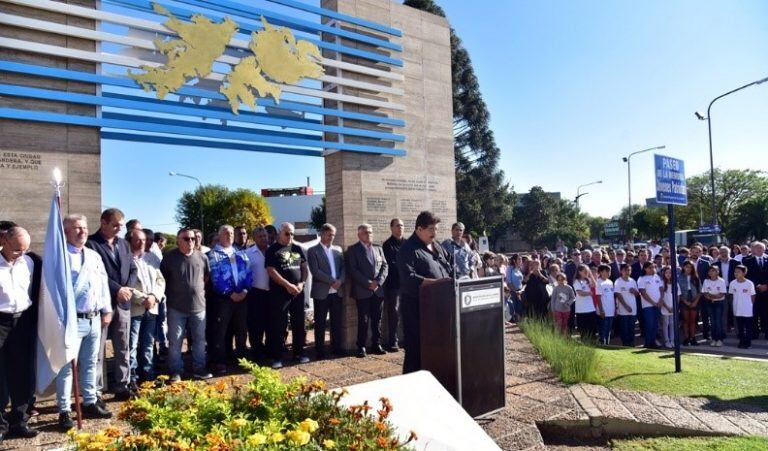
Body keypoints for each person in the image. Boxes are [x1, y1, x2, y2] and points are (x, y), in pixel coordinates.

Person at [55, 216, 114, 430]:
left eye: (85, 227)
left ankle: (89, 401)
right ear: (66, 231)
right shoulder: (60, 257)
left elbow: (103, 285)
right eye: (77, 228)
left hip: (94, 318)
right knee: (67, 368)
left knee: (91, 363)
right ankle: (64, 410)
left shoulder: (94, 256)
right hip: (72, 321)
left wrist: (107, 309)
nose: (82, 231)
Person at [85, 208, 136, 400]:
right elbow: (96, 274)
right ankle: (96, 390)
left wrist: (128, 289)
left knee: (123, 346)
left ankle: (122, 385)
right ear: (103, 223)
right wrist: (118, 289)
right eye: (115, 225)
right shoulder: (91, 244)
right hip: (101, 305)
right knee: (97, 350)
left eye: (121, 226)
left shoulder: (123, 244)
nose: (118, 229)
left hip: (123, 304)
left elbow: (132, 269)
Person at [397, 211, 453, 374]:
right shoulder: (407, 249)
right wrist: (437, 283)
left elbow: (449, 265)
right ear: (419, 229)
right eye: (431, 229)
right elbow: (409, 278)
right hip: (417, 310)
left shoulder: (437, 246)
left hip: (440, 308)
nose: (434, 233)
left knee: (437, 351)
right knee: (416, 352)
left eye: (436, 229)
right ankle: (411, 387)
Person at [0, 227, 39, 441]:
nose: (20, 255)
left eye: (25, 250)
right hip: (1, 321)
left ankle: (19, 420)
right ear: (4, 240)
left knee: (23, 373)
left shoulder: (30, 262)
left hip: (22, 321)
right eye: (16, 250)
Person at [160, 228, 211, 382]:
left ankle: (199, 368)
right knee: (175, 341)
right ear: (178, 240)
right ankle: (176, 371)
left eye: (193, 239)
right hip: (176, 307)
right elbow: (162, 280)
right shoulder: (169, 258)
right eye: (186, 239)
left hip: (199, 307)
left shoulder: (202, 257)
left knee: (200, 340)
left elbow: (206, 278)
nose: (190, 242)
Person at [207, 225, 251, 374]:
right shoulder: (213, 254)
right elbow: (215, 277)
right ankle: (220, 362)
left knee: (241, 330)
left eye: (231, 233)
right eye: (226, 233)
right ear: (219, 236)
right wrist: (230, 293)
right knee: (221, 331)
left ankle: (242, 360)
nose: (229, 235)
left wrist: (245, 290)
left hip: (242, 297)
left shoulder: (240, 252)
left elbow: (248, 272)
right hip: (223, 299)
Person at [265, 222, 310, 369]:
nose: (290, 236)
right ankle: (277, 357)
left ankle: (299, 353)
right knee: (278, 325)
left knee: (299, 324)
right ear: (279, 232)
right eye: (287, 233)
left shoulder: (297, 248)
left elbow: (304, 268)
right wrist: (287, 285)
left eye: (292, 234)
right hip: (280, 293)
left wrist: (301, 284)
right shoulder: (272, 250)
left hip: (297, 292)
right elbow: (271, 271)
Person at [126, 229, 165, 387]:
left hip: (152, 307)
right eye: (138, 240)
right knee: (132, 346)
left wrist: (154, 296)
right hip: (135, 309)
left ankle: (148, 376)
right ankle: (132, 378)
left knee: (148, 344)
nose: (143, 243)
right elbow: (124, 285)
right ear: (129, 241)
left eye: (144, 240)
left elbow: (160, 280)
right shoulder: (125, 259)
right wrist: (143, 299)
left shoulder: (152, 259)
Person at [347, 224, 388, 358]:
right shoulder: (353, 249)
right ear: (359, 235)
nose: (368, 234)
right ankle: (361, 346)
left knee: (377, 319)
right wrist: (368, 283)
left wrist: (379, 281)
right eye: (365, 232)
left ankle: (377, 344)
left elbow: (385, 266)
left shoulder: (378, 248)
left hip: (378, 290)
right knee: (363, 320)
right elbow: (353, 270)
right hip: (363, 290)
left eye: (370, 232)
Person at [307, 224, 345, 359]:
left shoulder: (338, 250)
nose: (332, 237)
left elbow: (343, 268)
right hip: (322, 292)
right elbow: (315, 271)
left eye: (333, 235)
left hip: (337, 292)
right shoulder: (313, 251)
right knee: (320, 323)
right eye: (329, 234)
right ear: (322, 234)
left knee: (336, 322)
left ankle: (336, 348)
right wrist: (332, 281)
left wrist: (340, 281)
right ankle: (320, 350)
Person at [245, 227, 270, 361]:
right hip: (255, 294)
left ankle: (270, 350)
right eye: (260, 236)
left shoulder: (273, 251)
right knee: (256, 325)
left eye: (265, 236)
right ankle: (257, 353)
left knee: (271, 324)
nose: (263, 239)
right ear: (254, 238)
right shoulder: (247, 253)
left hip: (272, 294)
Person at [381, 219, 404, 352]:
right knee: (394, 312)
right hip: (394, 285)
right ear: (391, 228)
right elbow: (390, 264)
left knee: (408, 311)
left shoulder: (408, 243)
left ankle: (408, 338)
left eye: (401, 225)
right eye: (397, 226)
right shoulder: (387, 245)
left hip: (408, 285)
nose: (400, 228)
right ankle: (393, 340)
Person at [743, 242, 768, 340]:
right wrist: (758, 285)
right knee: (754, 312)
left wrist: (766, 285)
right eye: (757, 248)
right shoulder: (747, 261)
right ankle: (754, 333)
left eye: (761, 248)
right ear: (753, 249)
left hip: (767, 291)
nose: (759, 250)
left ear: (764, 249)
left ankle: (766, 332)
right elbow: (747, 275)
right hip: (754, 291)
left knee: (766, 312)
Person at [638, 261, 662, 349]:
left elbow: (661, 289)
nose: (652, 269)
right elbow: (643, 293)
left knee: (655, 324)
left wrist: (660, 300)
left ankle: (653, 342)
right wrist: (653, 302)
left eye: (653, 267)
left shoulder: (657, 277)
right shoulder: (642, 278)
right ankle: (647, 343)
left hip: (657, 304)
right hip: (648, 306)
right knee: (649, 324)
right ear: (645, 269)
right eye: (650, 268)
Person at [730, 265, 756, 349]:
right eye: (735, 272)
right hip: (737, 309)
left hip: (747, 309)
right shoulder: (732, 283)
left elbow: (753, 296)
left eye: (738, 272)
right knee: (740, 327)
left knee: (748, 327)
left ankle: (748, 343)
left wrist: (749, 305)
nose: (736, 273)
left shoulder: (749, 283)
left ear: (744, 273)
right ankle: (741, 342)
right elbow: (731, 295)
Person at [614, 263, 639, 347]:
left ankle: (631, 344)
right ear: (621, 271)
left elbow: (637, 294)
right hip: (623, 309)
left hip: (633, 308)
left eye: (629, 270)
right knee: (624, 328)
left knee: (631, 327)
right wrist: (626, 306)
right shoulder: (618, 281)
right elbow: (618, 295)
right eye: (625, 270)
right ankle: (625, 344)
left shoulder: (633, 281)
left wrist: (634, 291)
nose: (627, 272)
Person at [702, 265, 726, 347]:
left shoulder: (722, 281)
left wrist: (713, 297)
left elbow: (722, 293)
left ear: (718, 272)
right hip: (709, 303)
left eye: (714, 271)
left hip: (719, 303)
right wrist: (710, 298)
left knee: (718, 321)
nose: (711, 272)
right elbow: (705, 293)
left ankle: (719, 339)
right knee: (712, 321)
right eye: (710, 271)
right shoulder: (706, 281)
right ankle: (714, 339)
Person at [573, 264, 597, 342]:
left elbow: (594, 284)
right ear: (579, 272)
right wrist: (589, 293)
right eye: (585, 271)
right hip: (582, 310)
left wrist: (590, 274)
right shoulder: (577, 281)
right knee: (584, 331)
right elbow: (580, 293)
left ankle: (593, 344)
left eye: (587, 271)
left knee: (592, 330)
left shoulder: (587, 280)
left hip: (591, 309)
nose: (587, 273)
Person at [679, 261, 701, 346]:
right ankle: (686, 338)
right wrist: (685, 301)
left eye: (690, 267)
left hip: (694, 299)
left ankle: (693, 337)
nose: (688, 268)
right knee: (685, 321)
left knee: (693, 321)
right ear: (683, 267)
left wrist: (695, 302)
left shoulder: (696, 277)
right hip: (684, 299)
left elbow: (700, 291)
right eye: (687, 266)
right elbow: (678, 292)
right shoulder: (679, 277)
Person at [596, 265, 615, 345]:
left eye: (609, 271)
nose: (608, 273)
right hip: (603, 311)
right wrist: (601, 310)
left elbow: (612, 297)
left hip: (611, 310)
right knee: (603, 330)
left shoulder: (610, 282)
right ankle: (602, 345)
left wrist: (615, 309)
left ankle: (607, 345)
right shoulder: (598, 282)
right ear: (600, 272)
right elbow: (598, 297)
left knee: (608, 330)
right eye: (606, 271)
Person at [659, 266, 677, 348]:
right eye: (666, 273)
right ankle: (666, 340)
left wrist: (674, 306)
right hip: (665, 307)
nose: (668, 274)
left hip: (673, 307)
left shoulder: (675, 283)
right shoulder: (661, 283)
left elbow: (678, 296)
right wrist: (666, 307)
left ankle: (672, 340)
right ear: (664, 274)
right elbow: (661, 297)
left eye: (670, 272)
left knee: (672, 324)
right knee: (666, 324)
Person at [506, 254, 524, 322]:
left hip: (520, 291)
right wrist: (515, 291)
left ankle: (519, 322)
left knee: (519, 308)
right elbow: (509, 282)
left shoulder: (519, 269)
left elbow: (521, 281)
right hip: (513, 292)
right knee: (514, 308)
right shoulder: (510, 268)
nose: (520, 261)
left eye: (521, 259)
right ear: (514, 260)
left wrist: (520, 291)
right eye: (519, 259)